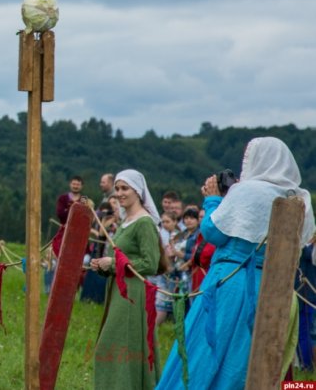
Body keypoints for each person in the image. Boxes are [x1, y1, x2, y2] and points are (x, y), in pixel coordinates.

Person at [157, 137, 316, 389]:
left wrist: (212, 200)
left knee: (207, 350)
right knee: (249, 358)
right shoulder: (301, 198)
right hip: (278, 289)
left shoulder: (247, 191)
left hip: (232, 282)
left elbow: (213, 232)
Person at [89, 169, 165, 389]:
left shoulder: (144, 222)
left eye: (125, 189)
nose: (120, 193)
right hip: (118, 290)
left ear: (138, 191)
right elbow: (121, 258)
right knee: (116, 346)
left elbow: (150, 263)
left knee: (114, 347)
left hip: (132, 294)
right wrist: (103, 266)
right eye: (118, 189)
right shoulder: (126, 221)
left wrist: (111, 264)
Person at [52, 175, 85, 257]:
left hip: (79, 234)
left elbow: (85, 217)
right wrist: (74, 209)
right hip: (64, 231)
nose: (75, 186)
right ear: (70, 184)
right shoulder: (62, 198)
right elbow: (60, 214)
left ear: (81, 186)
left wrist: (69, 210)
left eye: (78, 185)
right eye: (74, 184)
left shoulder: (84, 200)